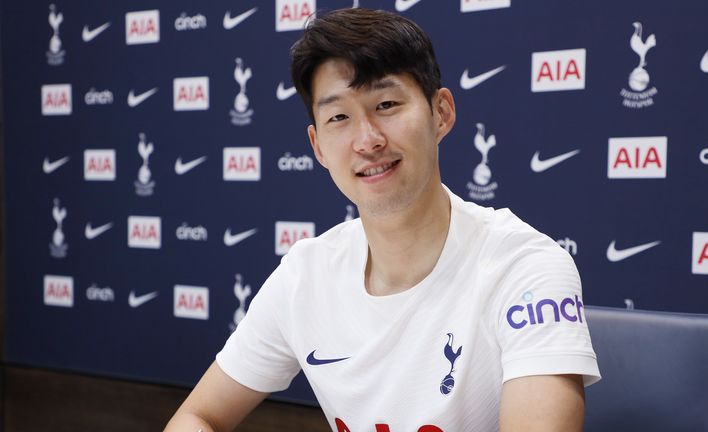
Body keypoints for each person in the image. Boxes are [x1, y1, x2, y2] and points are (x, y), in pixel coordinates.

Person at [165, 8, 600, 432]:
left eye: (387, 104)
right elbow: (196, 416)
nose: (367, 140)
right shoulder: (305, 273)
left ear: (441, 112)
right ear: (317, 146)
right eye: (339, 117)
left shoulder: (525, 268)